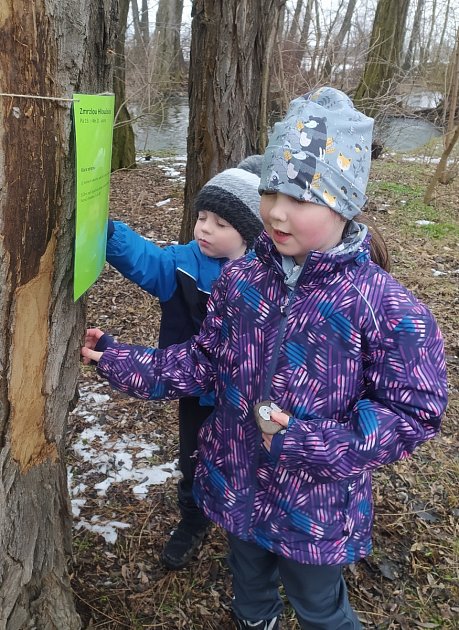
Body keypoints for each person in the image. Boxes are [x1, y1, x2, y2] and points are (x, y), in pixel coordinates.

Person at [82, 87, 448, 630]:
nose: (277, 211)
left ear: (344, 204)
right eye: (272, 190)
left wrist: (304, 443)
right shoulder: (243, 278)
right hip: (238, 486)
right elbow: (204, 360)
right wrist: (118, 359)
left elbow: (414, 413)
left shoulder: (385, 307)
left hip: (315, 511)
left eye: (300, 199)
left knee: (319, 606)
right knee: (249, 589)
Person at [105, 157, 264, 569]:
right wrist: (105, 233)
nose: (204, 228)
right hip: (193, 386)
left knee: (248, 465)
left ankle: (247, 535)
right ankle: (193, 521)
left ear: (249, 232)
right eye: (203, 217)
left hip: (248, 398)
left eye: (220, 223)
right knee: (192, 458)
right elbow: (145, 259)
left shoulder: (267, 278)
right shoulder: (182, 264)